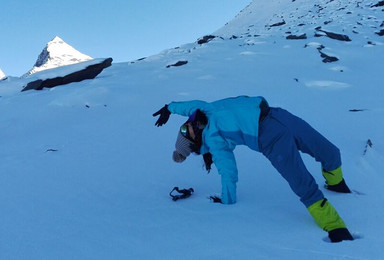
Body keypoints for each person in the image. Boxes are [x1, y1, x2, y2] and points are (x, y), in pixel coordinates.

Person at [153, 95, 354, 243]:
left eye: (186, 124)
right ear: (194, 140)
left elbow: (191, 106)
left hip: (278, 115)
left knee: (330, 152)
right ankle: (333, 225)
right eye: (186, 129)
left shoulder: (207, 110)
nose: (189, 123)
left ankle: (335, 182)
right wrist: (227, 199)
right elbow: (228, 172)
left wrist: (169, 108)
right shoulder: (216, 141)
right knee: (302, 182)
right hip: (269, 138)